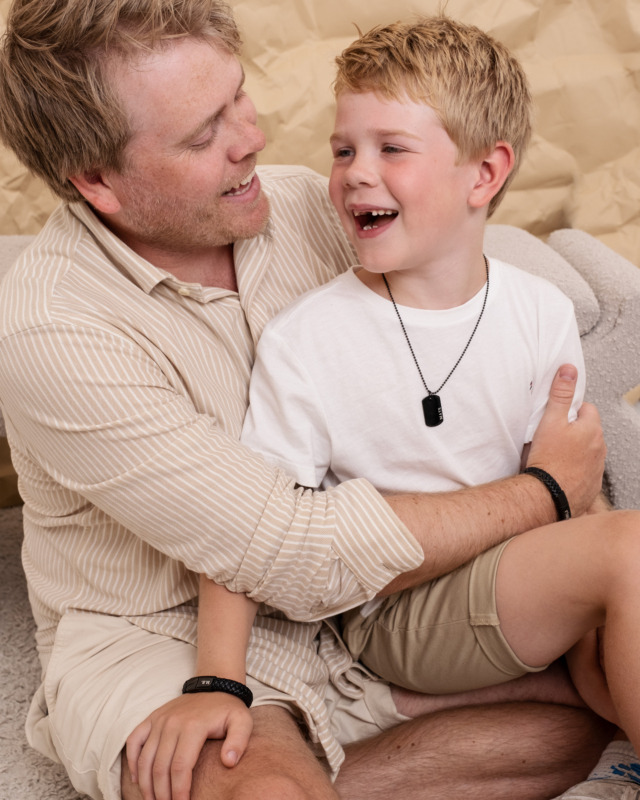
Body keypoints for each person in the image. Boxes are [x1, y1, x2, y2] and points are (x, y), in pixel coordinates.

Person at [0, 1, 623, 799]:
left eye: (237, 97)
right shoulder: (51, 328)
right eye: (203, 134)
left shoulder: (300, 204)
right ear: (98, 181)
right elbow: (282, 548)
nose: (250, 137)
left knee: (589, 714)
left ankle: (326, 766)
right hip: (168, 634)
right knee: (264, 786)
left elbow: (451, 287)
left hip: (360, 612)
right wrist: (544, 492)